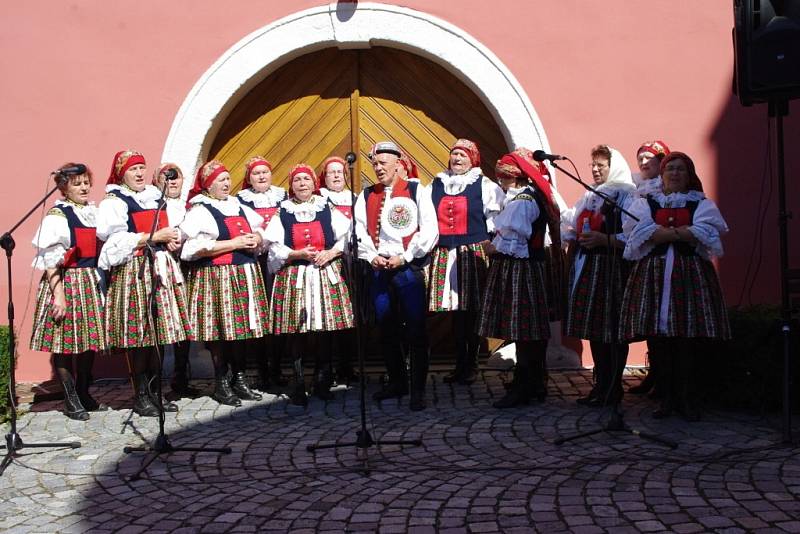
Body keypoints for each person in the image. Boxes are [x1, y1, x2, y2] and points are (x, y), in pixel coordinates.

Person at [620, 152, 731, 421]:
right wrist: (684, 231)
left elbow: (708, 231)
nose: (675, 173)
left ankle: (688, 398)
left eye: (681, 169)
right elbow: (638, 232)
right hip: (654, 275)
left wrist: (665, 233)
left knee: (686, 339)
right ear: (662, 175)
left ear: (689, 174)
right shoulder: (646, 202)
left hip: (689, 275)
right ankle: (666, 397)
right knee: (660, 340)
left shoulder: (701, 203)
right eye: (670, 169)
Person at [97, 150, 192, 417]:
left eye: (141, 168)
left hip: (160, 269)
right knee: (140, 336)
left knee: (158, 334)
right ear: (121, 173)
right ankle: (140, 395)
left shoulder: (153, 197)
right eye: (133, 169)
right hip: (135, 271)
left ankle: (154, 391)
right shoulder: (115, 201)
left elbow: (166, 229)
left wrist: (169, 239)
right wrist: (151, 237)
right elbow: (114, 242)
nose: (139, 173)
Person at [354, 141, 438, 411]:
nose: (378, 169)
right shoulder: (366, 195)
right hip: (379, 269)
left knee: (415, 328)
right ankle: (398, 381)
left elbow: (429, 229)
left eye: (383, 164)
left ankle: (418, 389)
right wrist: (371, 256)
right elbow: (359, 231)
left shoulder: (416, 191)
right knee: (386, 328)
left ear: (398, 164)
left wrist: (407, 256)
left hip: (407, 268)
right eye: (375, 164)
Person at [180, 160, 269, 406]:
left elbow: (262, 228)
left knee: (240, 331)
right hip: (217, 277)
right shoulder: (200, 210)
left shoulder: (237, 205)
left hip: (243, 274)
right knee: (220, 331)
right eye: (221, 180)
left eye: (228, 178)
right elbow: (191, 248)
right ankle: (221, 382)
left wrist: (257, 237)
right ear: (208, 185)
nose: (227, 183)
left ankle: (238, 378)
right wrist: (235, 244)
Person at [264, 163, 355, 406]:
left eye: (306, 179)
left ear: (315, 184)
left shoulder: (326, 206)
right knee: (297, 330)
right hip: (295, 275)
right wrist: (296, 254)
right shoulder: (282, 210)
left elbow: (346, 236)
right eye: (297, 180)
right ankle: (298, 382)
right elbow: (272, 245)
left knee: (325, 329)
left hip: (324, 272)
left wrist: (331, 253)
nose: (302, 183)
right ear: (291, 185)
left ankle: (322, 380)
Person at [478, 150, 560, 408]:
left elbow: (515, 241)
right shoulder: (526, 198)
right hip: (525, 269)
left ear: (513, 177)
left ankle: (526, 385)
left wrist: (492, 247)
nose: (500, 181)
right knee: (529, 331)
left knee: (524, 330)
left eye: (503, 177)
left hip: (520, 270)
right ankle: (534, 382)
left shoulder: (522, 201)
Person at [30, 163, 107, 420]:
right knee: (63, 343)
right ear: (64, 187)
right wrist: (58, 295)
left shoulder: (93, 213)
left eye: (86, 182)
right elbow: (51, 260)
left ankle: (84, 391)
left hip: (90, 281)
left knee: (88, 342)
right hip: (67, 281)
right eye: (77, 183)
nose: (84, 187)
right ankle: (70, 398)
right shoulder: (58, 215)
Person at [563, 145, 636, 407]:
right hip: (589, 266)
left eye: (600, 165)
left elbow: (635, 236)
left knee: (612, 330)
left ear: (613, 167)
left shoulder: (626, 196)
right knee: (595, 329)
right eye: (593, 165)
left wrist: (603, 239)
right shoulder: (590, 196)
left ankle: (613, 387)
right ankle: (601, 384)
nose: (594, 169)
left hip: (612, 268)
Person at [428, 139, 504, 384]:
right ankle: (460, 363)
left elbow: (496, 219)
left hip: (472, 252)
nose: (457, 159)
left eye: (463, 155)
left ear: (473, 160)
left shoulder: (484, 185)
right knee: (454, 312)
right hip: (444, 254)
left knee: (470, 311)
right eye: (454, 154)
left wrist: (490, 244)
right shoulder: (437, 184)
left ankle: (470, 363)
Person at [236, 156, 288, 389]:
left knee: (278, 314)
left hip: (278, 261)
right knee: (257, 315)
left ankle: (277, 368)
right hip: (255, 261)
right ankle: (260, 370)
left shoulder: (283, 196)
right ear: (249, 178)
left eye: (265, 172)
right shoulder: (240, 200)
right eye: (257, 173)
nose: (262, 176)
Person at [151, 163, 200, 399]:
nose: (172, 181)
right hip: (161, 267)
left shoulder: (190, 207)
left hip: (186, 267)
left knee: (184, 325)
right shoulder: (153, 206)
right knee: (161, 325)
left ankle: (181, 377)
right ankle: (154, 384)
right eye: (166, 177)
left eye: (176, 177)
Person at [628, 140, 671, 397]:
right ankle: (654, 373)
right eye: (640, 158)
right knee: (649, 321)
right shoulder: (636, 188)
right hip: (641, 259)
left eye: (649, 158)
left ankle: (664, 378)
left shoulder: (665, 190)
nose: (644, 163)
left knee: (663, 322)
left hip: (664, 258)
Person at [318, 156, 359, 384]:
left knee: (350, 316)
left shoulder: (354, 198)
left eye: (340, 172)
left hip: (352, 263)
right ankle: (328, 367)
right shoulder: (320, 200)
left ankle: (347, 365)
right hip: (330, 263)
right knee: (330, 316)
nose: (336, 176)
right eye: (331, 172)